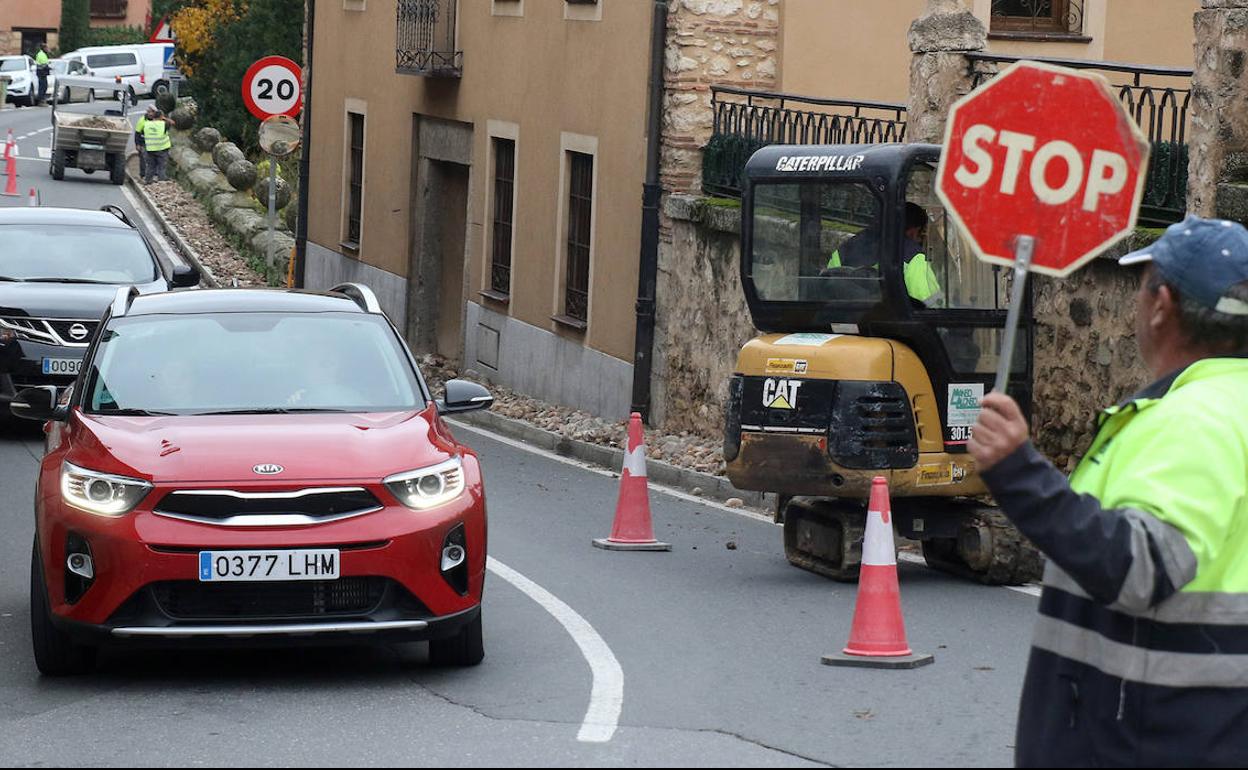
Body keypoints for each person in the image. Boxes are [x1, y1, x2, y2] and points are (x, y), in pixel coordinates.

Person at [968, 215, 1248, 767]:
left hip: (1145, 742)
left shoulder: (1195, 421)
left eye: (1142, 289)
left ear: (1162, 304)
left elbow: (1140, 565)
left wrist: (1020, 474)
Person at [826, 202, 943, 305]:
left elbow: (828, 285)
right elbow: (930, 306)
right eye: (921, 234)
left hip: (847, 324)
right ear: (913, 232)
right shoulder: (914, 257)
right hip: (890, 328)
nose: (920, 240)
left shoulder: (845, 250)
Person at [143, 109, 172, 184]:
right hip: (162, 149)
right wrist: (164, 118)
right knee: (161, 166)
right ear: (161, 117)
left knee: (150, 166)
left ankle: (148, 181)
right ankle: (161, 182)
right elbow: (172, 122)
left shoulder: (147, 124)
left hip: (150, 149)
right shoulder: (164, 124)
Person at [134, 107, 154, 181]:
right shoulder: (142, 120)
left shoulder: (157, 120)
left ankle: (152, 175)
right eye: (149, 112)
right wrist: (137, 144)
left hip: (153, 144)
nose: (151, 114)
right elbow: (137, 133)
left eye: (152, 112)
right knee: (143, 159)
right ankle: (143, 175)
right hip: (143, 143)